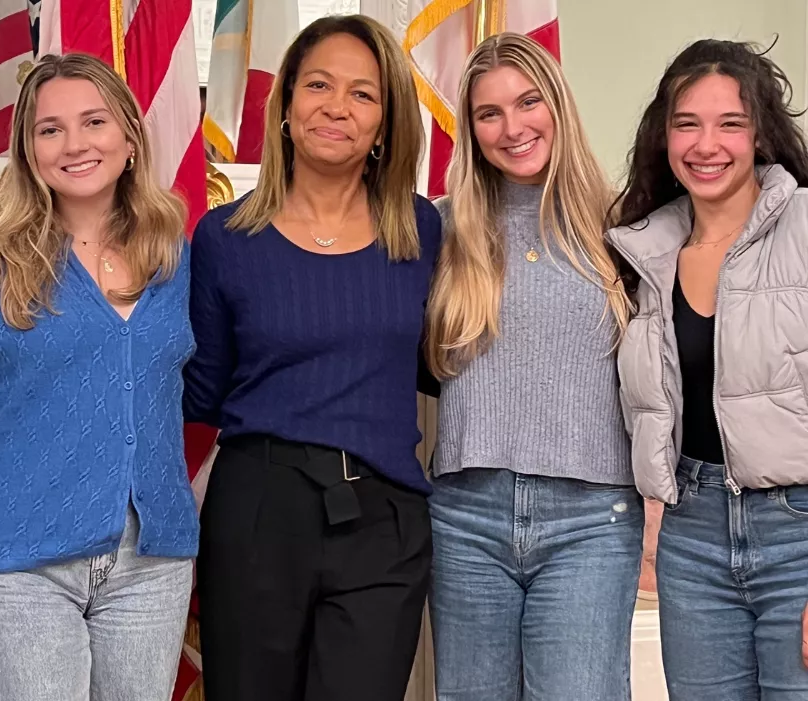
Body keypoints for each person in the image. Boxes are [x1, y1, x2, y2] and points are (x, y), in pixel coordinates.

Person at [0, 53, 197, 701]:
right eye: (50, 129)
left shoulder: (177, 257)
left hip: (151, 563)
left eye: (94, 121)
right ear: (28, 150)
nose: (74, 144)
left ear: (129, 137)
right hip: (24, 563)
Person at [184, 15, 440, 701]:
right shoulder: (225, 237)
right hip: (259, 509)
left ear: (385, 122)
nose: (337, 106)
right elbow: (202, 389)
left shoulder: (421, 230)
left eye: (364, 93)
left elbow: (440, 363)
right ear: (287, 106)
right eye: (319, 84)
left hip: (385, 518)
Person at [422, 32, 642, 700]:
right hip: (465, 516)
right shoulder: (439, 229)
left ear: (558, 105)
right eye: (489, 113)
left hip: (591, 518)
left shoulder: (625, 229)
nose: (512, 127)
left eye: (527, 102)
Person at [608, 38, 808, 700]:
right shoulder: (641, 253)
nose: (706, 144)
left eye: (730, 123)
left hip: (797, 531)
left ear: (761, 135)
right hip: (691, 537)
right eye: (687, 123)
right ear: (663, 137)